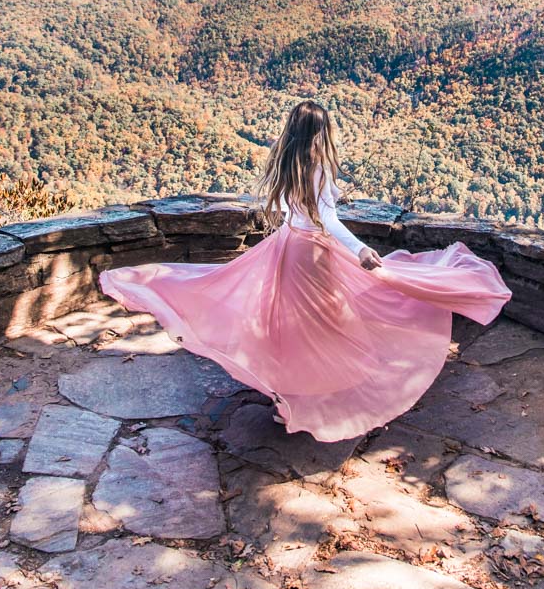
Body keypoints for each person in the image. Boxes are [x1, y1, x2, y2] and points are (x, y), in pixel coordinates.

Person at [99, 99, 511, 442]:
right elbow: (327, 220)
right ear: (321, 133)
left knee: (290, 323)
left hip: (286, 247)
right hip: (312, 252)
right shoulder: (318, 166)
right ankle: (317, 393)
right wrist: (361, 248)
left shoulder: (288, 162)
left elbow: (287, 211)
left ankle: (288, 394)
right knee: (326, 320)